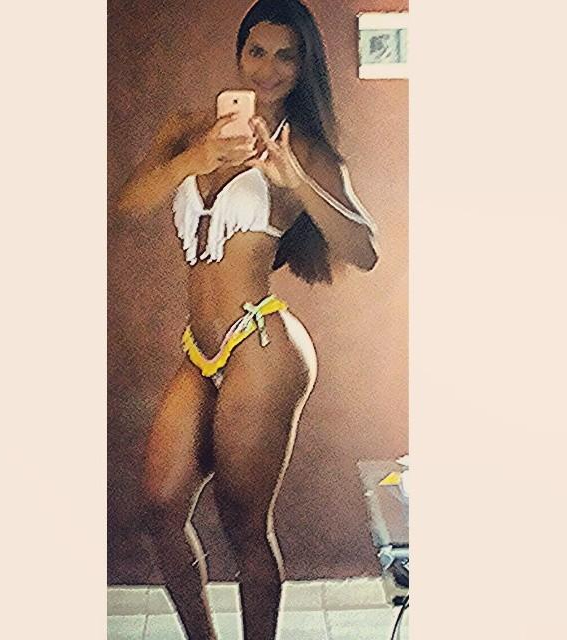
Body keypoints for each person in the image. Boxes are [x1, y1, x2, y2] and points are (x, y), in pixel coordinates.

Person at [116, 1, 378, 638]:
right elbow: (128, 205)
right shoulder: (189, 130)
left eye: (287, 55)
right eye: (257, 51)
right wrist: (195, 159)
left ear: (305, 65)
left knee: (243, 527)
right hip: (200, 349)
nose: (268, 68)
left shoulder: (306, 149)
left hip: (261, 344)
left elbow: (365, 250)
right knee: (159, 508)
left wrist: (297, 181)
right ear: (240, 53)